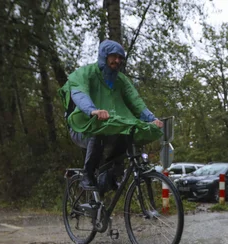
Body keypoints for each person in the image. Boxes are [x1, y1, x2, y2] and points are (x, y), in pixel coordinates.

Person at [60, 40, 163, 190]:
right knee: (98, 135)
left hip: (108, 127)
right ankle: (87, 176)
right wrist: (92, 110)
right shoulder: (85, 73)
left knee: (125, 136)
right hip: (81, 127)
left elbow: (136, 101)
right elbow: (79, 92)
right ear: (104, 56)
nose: (117, 60)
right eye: (114, 56)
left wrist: (152, 119)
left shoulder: (121, 80)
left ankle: (109, 175)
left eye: (120, 58)